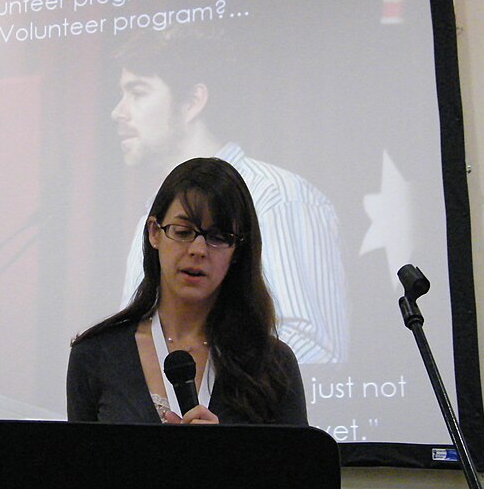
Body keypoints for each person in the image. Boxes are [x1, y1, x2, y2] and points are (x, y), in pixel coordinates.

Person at [111, 26, 347, 364]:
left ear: (192, 102)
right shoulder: (152, 217)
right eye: (181, 232)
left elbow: (314, 346)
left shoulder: (279, 196)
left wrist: (212, 396)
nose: (118, 112)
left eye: (138, 92)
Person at [66, 158, 307, 424]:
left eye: (218, 237)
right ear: (154, 233)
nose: (198, 250)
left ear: (237, 250)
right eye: (182, 232)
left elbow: (296, 466)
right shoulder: (95, 354)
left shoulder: (272, 365)